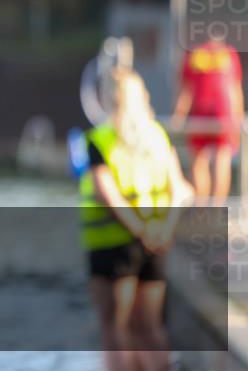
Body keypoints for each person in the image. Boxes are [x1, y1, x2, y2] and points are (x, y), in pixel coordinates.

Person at [80, 68, 193, 371]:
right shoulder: (156, 135)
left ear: (108, 100)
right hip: (157, 243)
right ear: (143, 98)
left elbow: (108, 195)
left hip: (114, 244)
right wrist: (162, 229)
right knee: (150, 327)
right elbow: (182, 189)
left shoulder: (101, 139)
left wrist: (140, 231)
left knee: (114, 327)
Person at [173, 37, 245, 204]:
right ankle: (215, 205)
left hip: (206, 112)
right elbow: (235, 89)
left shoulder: (195, 54)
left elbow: (186, 90)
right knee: (219, 158)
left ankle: (203, 205)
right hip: (221, 113)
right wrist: (237, 117)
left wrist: (179, 115)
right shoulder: (226, 54)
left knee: (202, 160)